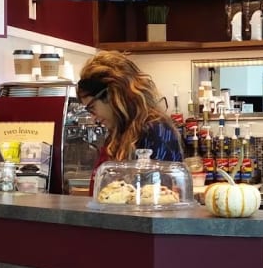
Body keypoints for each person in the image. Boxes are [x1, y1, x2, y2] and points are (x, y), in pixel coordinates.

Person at [77, 51, 184, 192]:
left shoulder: (156, 130)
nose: (93, 117)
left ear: (110, 94)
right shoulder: (118, 133)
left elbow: (153, 198)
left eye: (92, 107)